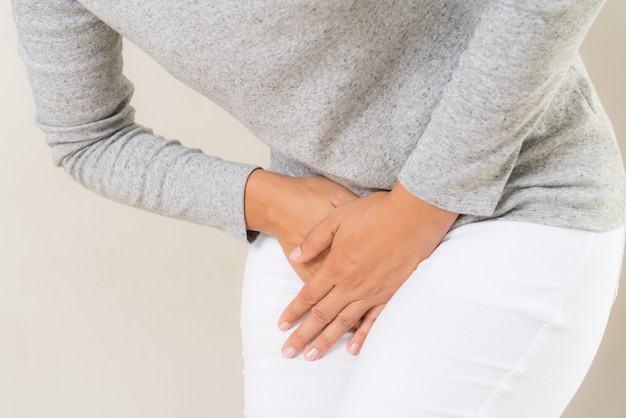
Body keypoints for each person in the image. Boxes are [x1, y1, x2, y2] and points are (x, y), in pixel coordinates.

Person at [11, 0, 626, 417]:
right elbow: (85, 136)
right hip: (319, 234)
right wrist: (271, 201)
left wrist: (419, 210)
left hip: (516, 201)